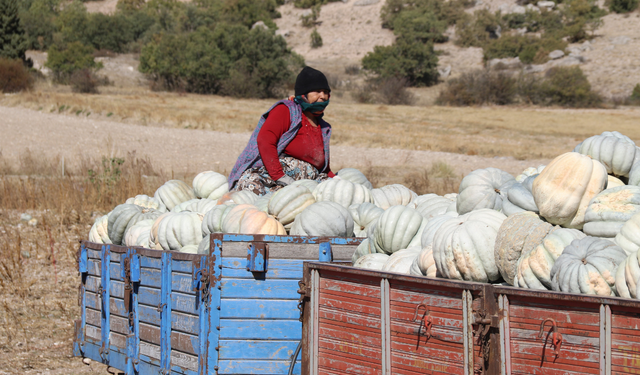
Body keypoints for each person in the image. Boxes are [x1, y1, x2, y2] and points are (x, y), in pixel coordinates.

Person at [228, 66, 337, 195]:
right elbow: (265, 140)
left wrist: (336, 180)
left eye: (326, 92)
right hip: (277, 177)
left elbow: (324, 168)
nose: (323, 96)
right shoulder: (286, 111)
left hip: (308, 183)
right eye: (317, 91)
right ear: (303, 94)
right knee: (253, 188)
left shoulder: (323, 128)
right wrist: (279, 176)